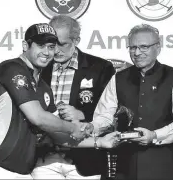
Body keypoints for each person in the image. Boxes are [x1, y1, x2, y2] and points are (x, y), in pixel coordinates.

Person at [0, 23, 93, 179]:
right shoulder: (12, 68)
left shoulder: (43, 87)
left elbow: (57, 136)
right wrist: (72, 127)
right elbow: (37, 117)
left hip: (21, 172)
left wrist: (99, 142)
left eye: (51, 47)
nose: (46, 52)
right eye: (41, 46)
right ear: (25, 45)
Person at [91, 24, 173, 180]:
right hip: (126, 165)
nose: (137, 53)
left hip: (165, 164)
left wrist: (154, 135)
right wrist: (92, 127)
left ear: (158, 48)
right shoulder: (119, 78)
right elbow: (105, 115)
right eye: (132, 48)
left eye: (143, 47)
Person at [32, 15, 116, 179]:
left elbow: (111, 112)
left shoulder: (100, 68)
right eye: (52, 44)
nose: (56, 50)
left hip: (85, 160)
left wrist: (83, 114)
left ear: (76, 40)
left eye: (62, 44)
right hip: (44, 158)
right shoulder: (39, 67)